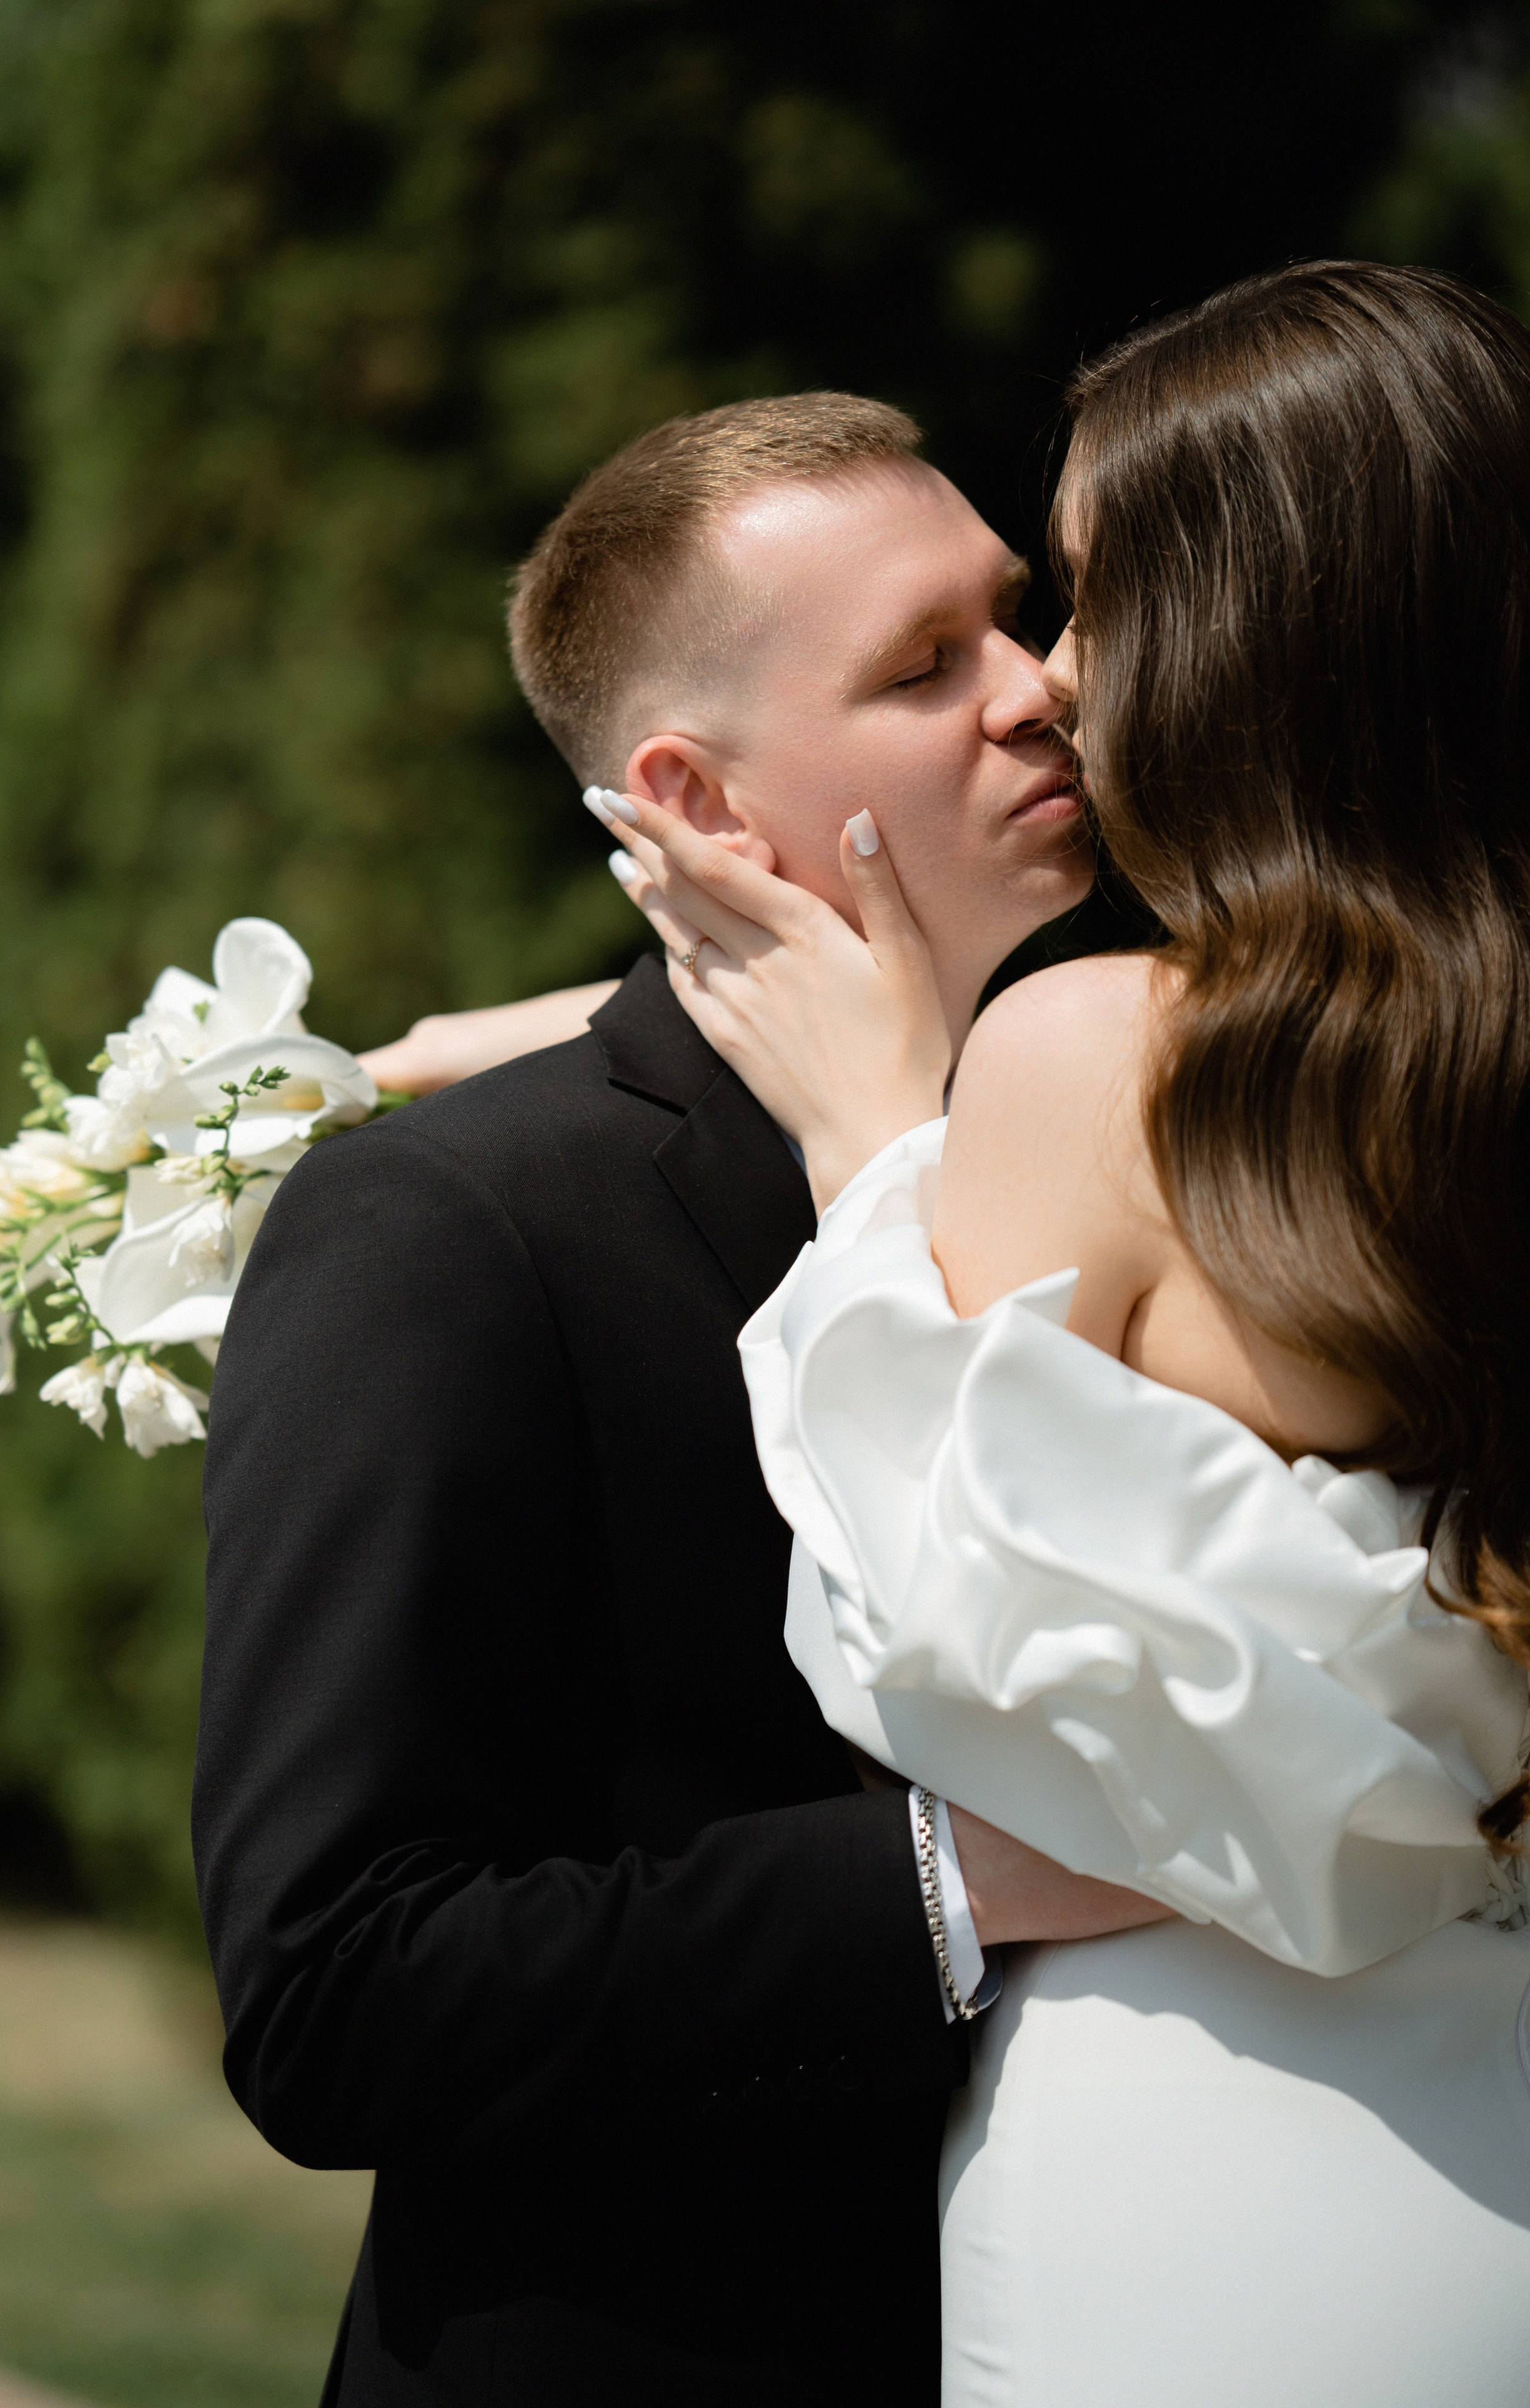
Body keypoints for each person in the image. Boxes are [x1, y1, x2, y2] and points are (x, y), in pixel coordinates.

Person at [586, 262, 1530, 2405]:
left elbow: (936, 1638)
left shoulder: (1096, 1060)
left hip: (1229, 2166)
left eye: (1095, 597)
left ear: (1270, 629)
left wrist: (869, 1153)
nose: (1064, 682)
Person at [195, 392, 1168, 2408]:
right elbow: (334, 1993)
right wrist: (954, 1885)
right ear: (700, 806)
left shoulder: (1174, 1132)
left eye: (1018, 615)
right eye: (924, 666)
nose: (1041, 690)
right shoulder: (449, 1226)